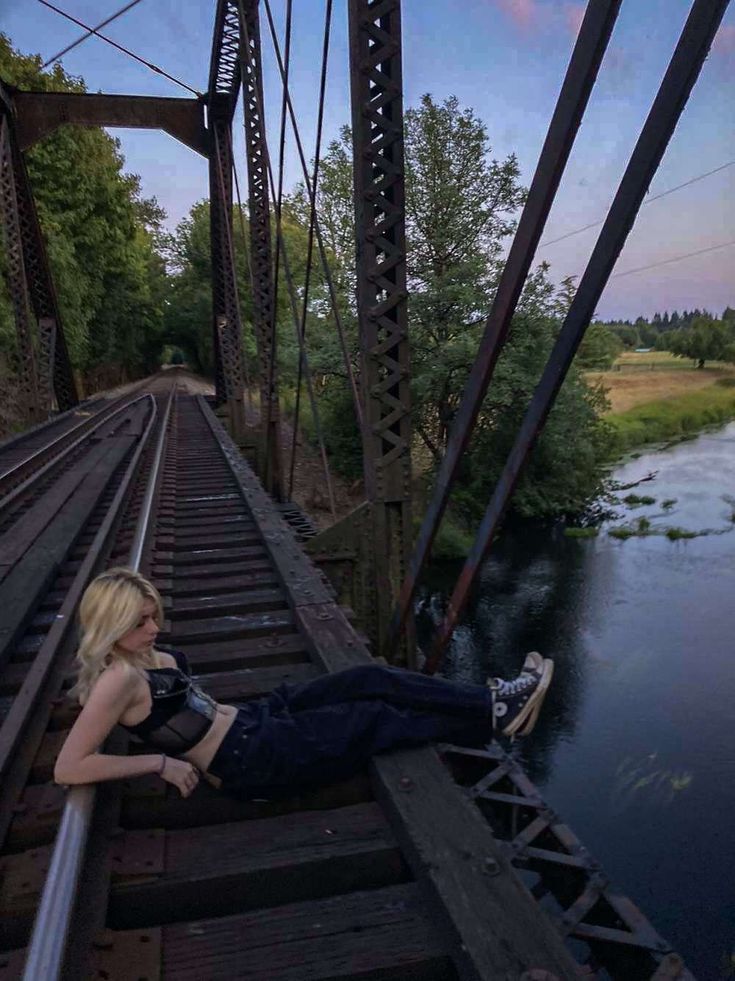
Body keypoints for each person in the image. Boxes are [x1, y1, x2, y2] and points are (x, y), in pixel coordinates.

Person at [54, 567, 554, 800]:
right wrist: (159, 763)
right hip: (251, 760)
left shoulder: (141, 654)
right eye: (141, 621)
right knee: (373, 716)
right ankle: (493, 720)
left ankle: (494, 702)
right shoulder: (116, 680)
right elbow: (69, 766)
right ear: (111, 626)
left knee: (370, 677)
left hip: (252, 719)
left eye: (154, 615)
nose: (155, 628)